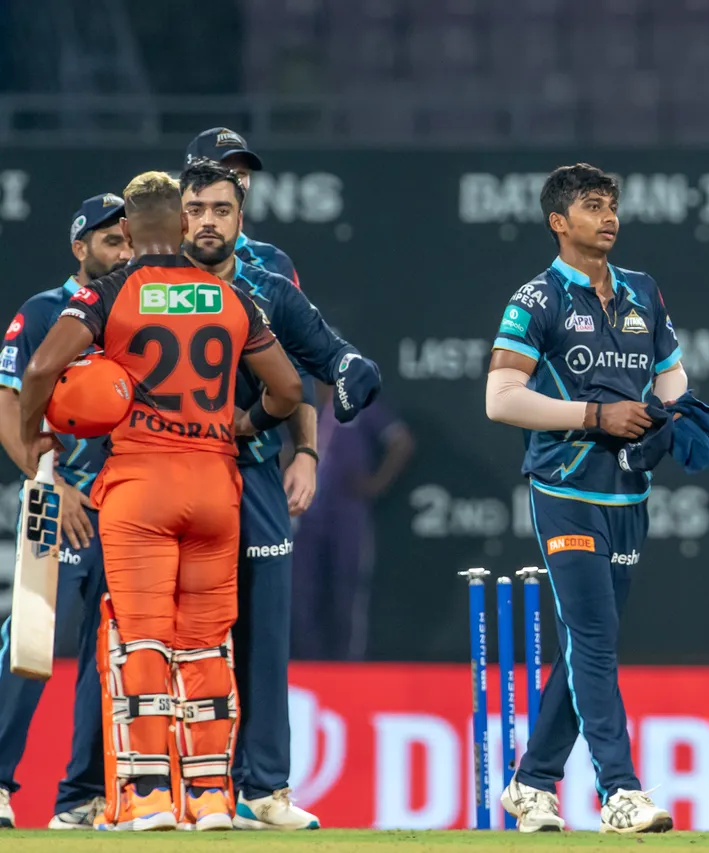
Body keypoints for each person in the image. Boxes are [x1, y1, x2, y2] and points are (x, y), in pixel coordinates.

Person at [16, 171, 303, 831]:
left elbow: (39, 370)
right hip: (216, 486)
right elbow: (288, 389)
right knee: (206, 644)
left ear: (128, 229)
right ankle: (210, 798)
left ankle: (146, 797)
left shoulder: (106, 293)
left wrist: (35, 438)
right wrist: (245, 423)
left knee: (140, 639)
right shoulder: (232, 295)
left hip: (140, 487)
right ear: (182, 224)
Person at [177, 159, 381, 829]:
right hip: (167, 474)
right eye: (197, 209)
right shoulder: (148, 284)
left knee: (265, 631)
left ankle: (262, 789)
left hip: (254, 470)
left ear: (241, 216)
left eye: (222, 209)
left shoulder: (268, 286)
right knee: (174, 632)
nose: (209, 221)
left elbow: (323, 358)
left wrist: (335, 401)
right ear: (180, 214)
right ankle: (167, 786)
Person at [485, 164, 686, 834]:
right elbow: (500, 399)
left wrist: (675, 420)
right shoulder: (536, 299)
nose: (608, 217)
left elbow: (672, 379)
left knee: (584, 645)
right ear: (558, 222)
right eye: (592, 206)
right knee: (594, 641)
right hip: (564, 490)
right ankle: (619, 792)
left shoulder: (642, 291)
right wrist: (596, 417)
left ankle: (532, 782)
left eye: (612, 205)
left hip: (628, 494)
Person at [0, 193, 131, 830]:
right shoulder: (44, 311)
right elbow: (8, 405)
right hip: (58, 499)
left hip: (129, 506)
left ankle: (82, 798)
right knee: (30, 640)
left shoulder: (141, 314)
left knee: (111, 652)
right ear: (80, 248)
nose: (123, 252)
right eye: (110, 241)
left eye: (129, 240)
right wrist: (49, 482)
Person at [291, 382, 413, 661]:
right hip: (305, 516)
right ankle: (308, 663)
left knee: (347, 591)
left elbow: (401, 440)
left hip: (347, 514)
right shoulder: (300, 404)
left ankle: (349, 665)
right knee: (301, 593)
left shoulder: (356, 404)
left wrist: (377, 483)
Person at [184, 127, 299, 286]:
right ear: (191, 178)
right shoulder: (163, 258)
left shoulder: (272, 262)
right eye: (223, 172)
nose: (235, 182)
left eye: (241, 173)